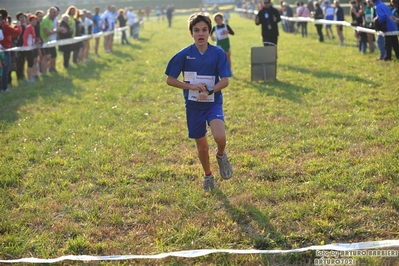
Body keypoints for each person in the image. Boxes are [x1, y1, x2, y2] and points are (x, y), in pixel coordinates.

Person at [165, 12, 233, 191]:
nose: (201, 34)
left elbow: (225, 81)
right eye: (197, 30)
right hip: (194, 107)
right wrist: (191, 87)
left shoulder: (217, 53)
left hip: (212, 103)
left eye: (204, 30)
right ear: (191, 33)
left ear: (210, 31)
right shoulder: (184, 55)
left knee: (220, 137)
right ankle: (208, 175)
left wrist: (211, 90)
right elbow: (170, 79)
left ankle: (220, 155)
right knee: (202, 148)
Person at [0, 8, 22, 92]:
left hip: (3, 49)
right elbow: (17, 32)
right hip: (5, 50)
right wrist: (19, 25)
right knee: (5, 69)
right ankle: (4, 88)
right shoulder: (4, 25)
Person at [40, 7, 65, 75]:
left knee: (54, 56)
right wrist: (57, 31)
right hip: (45, 41)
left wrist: (60, 29)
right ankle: (43, 72)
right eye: (54, 13)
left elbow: (53, 29)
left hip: (51, 41)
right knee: (46, 57)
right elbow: (47, 32)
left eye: (56, 13)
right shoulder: (45, 20)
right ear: (49, 13)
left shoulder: (51, 20)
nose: (55, 14)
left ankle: (52, 68)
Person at [23, 14, 41, 82]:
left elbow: (33, 37)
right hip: (28, 48)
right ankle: (29, 78)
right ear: (29, 21)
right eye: (33, 21)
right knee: (30, 63)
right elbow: (25, 37)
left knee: (34, 62)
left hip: (32, 47)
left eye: (35, 21)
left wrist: (38, 40)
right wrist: (26, 46)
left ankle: (34, 75)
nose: (35, 22)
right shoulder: (29, 27)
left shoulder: (33, 28)